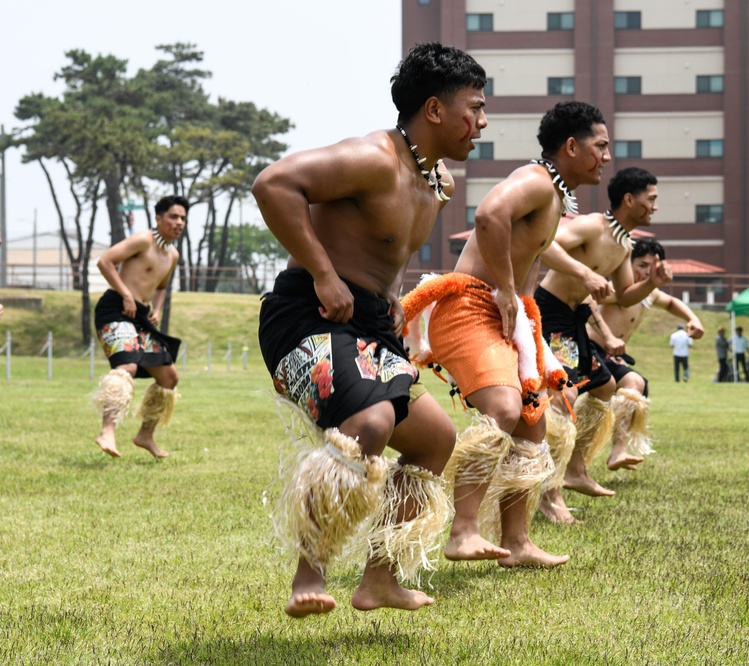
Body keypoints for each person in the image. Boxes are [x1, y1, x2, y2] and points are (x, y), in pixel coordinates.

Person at [253, 42, 487, 616]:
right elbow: (273, 184)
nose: (481, 122)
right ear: (434, 110)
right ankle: (309, 571)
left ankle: (380, 578)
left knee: (436, 440)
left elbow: (385, 251)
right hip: (310, 313)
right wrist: (325, 275)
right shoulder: (373, 157)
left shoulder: (435, 182)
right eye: (474, 108)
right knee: (371, 421)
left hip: (370, 325)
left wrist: (395, 305)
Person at [402, 101, 608, 560]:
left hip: (511, 316)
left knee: (532, 425)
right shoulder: (536, 182)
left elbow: (533, 246)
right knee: (503, 406)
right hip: (472, 305)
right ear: (571, 147)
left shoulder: (552, 198)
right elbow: (488, 216)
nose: (607, 157)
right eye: (601, 146)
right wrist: (507, 291)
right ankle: (464, 531)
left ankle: (516, 542)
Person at [535, 166, 671, 510]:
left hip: (572, 317)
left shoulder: (624, 244)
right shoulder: (593, 226)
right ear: (630, 199)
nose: (655, 206)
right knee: (562, 395)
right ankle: (550, 493)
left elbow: (625, 295)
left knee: (604, 386)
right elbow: (542, 244)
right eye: (651, 199)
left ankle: (575, 469)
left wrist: (652, 282)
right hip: (550, 311)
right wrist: (582, 272)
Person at [587, 238, 704, 472]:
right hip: (589, 349)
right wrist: (608, 336)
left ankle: (618, 450)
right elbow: (586, 301)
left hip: (611, 356)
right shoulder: (617, 289)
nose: (646, 272)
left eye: (652, 267)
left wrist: (693, 319)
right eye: (641, 265)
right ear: (626, 265)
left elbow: (671, 302)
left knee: (635, 383)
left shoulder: (651, 294)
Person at [92, 195, 187, 459]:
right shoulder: (144, 239)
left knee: (169, 377)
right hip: (115, 309)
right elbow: (105, 261)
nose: (179, 223)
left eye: (182, 218)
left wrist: (156, 309)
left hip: (141, 316)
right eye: (173, 217)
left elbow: (162, 286)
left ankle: (145, 434)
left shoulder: (173, 254)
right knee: (127, 367)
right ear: (158, 218)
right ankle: (107, 431)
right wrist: (125, 294)